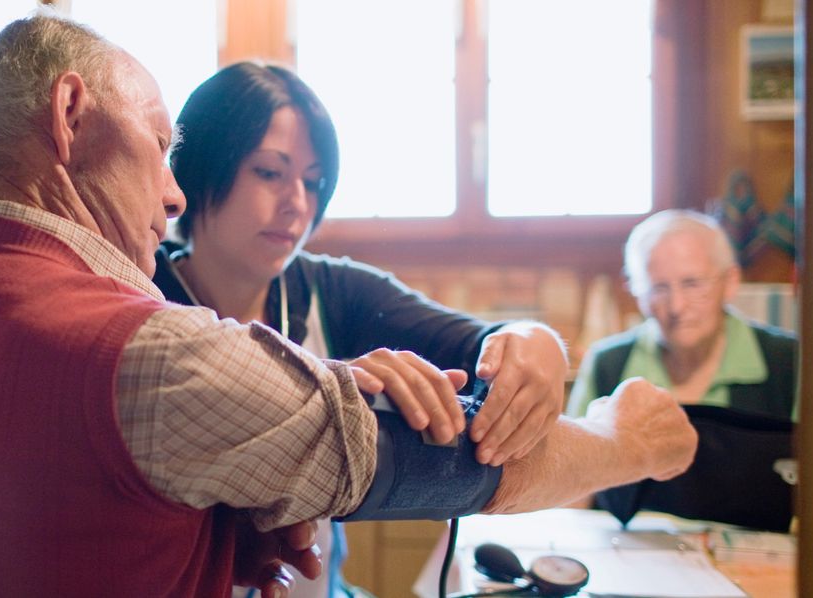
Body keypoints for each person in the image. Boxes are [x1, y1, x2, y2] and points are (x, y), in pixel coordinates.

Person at [0, 10, 697, 597]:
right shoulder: (148, 354)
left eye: (312, 182)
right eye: (163, 146)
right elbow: (453, 466)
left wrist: (223, 526)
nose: (170, 192)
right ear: (70, 114)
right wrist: (627, 439)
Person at [153, 61, 571, 597]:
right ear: (201, 165)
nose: (297, 204)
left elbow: (479, 343)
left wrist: (536, 345)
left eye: (313, 181)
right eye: (269, 172)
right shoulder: (141, 285)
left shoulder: (334, 289)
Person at [567, 209, 797, 420]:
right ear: (638, 294)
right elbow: (575, 461)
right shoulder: (606, 365)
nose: (676, 307)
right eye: (659, 288)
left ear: (730, 282)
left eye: (692, 284)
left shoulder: (788, 362)